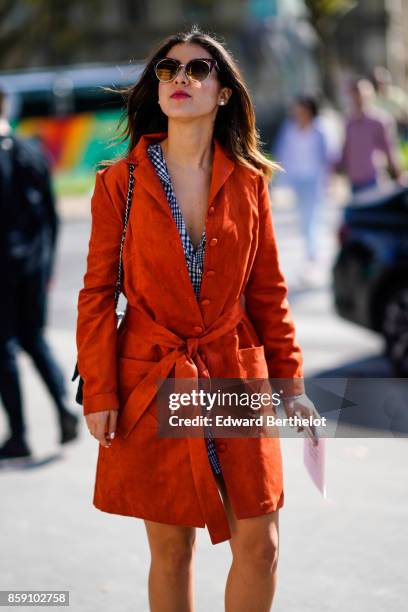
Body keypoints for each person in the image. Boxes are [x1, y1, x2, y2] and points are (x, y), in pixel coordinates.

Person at [75, 27, 320, 611]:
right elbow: (95, 294)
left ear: (224, 92)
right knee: (173, 549)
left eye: (197, 69)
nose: (180, 78)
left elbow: (268, 293)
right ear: (156, 90)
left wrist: (291, 385)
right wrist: (100, 391)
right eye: (167, 70)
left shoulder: (249, 182)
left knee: (260, 545)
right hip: (153, 378)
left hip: (233, 370)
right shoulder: (120, 182)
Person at [0, 86, 79, 460]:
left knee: (4, 350)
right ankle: (63, 407)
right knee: (34, 338)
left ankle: (19, 434)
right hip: (33, 266)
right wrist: (46, 266)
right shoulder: (32, 150)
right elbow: (51, 216)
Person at [273, 95, 330, 281]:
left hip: (315, 180)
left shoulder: (320, 129)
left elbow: (327, 156)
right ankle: (312, 255)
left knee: (311, 217)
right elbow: (282, 153)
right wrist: (280, 182)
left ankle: (313, 256)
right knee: (304, 218)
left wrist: (329, 181)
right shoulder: (289, 128)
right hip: (298, 180)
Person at [336, 78, 402, 194]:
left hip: (374, 177)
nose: (358, 99)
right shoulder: (348, 121)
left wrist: (397, 172)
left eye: (361, 95)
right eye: (355, 94)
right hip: (354, 178)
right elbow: (346, 148)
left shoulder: (380, 120)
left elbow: (390, 148)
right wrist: (339, 167)